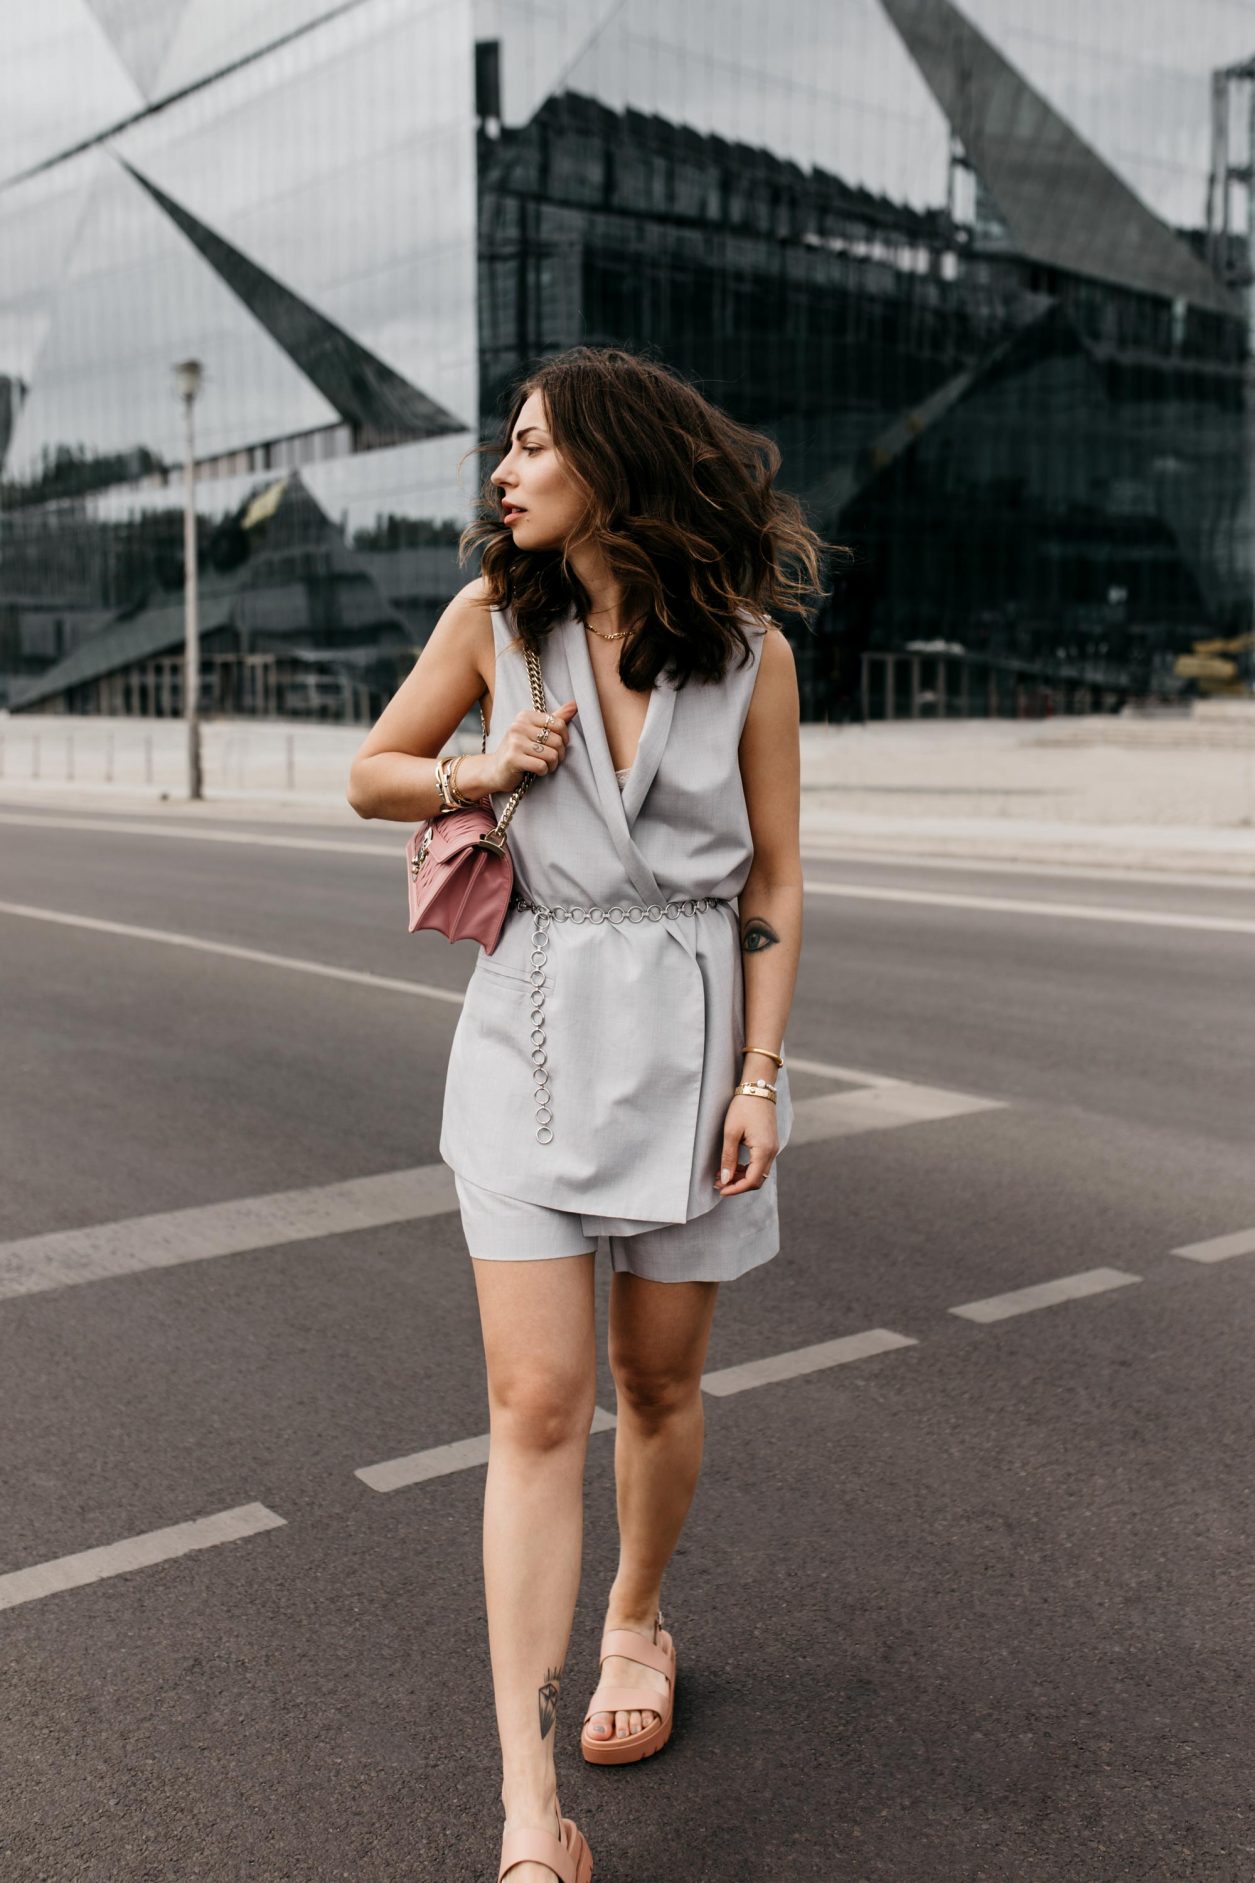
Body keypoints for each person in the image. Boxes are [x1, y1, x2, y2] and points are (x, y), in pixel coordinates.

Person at [347, 345, 821, 1883]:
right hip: (532, 1037)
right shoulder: (498, 620)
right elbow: (373, 773)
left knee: (659, 1385)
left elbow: (773, 881)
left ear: (611, 462)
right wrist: (482, 768)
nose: (505, 469)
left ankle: (638, 1619)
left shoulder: (749, 653)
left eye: (533, 444)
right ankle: (526, 1807)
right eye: (506, 444)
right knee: (536, 1409)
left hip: (693, 1048)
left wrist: (760, 1077)